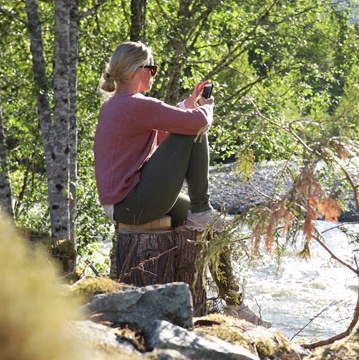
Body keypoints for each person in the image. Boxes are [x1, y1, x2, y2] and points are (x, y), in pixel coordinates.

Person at [95, 41, 270, 328]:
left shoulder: (118, 105)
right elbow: (194, 125)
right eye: (151, 68)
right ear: (135, 71)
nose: (154, 75)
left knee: (211, 227)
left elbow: (165, 137)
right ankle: (202, 208)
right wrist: (206, 108)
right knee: (196, 129)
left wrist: (189, 106)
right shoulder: (136, 105)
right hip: (132, 203)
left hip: (127, 200)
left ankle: (234, 304)